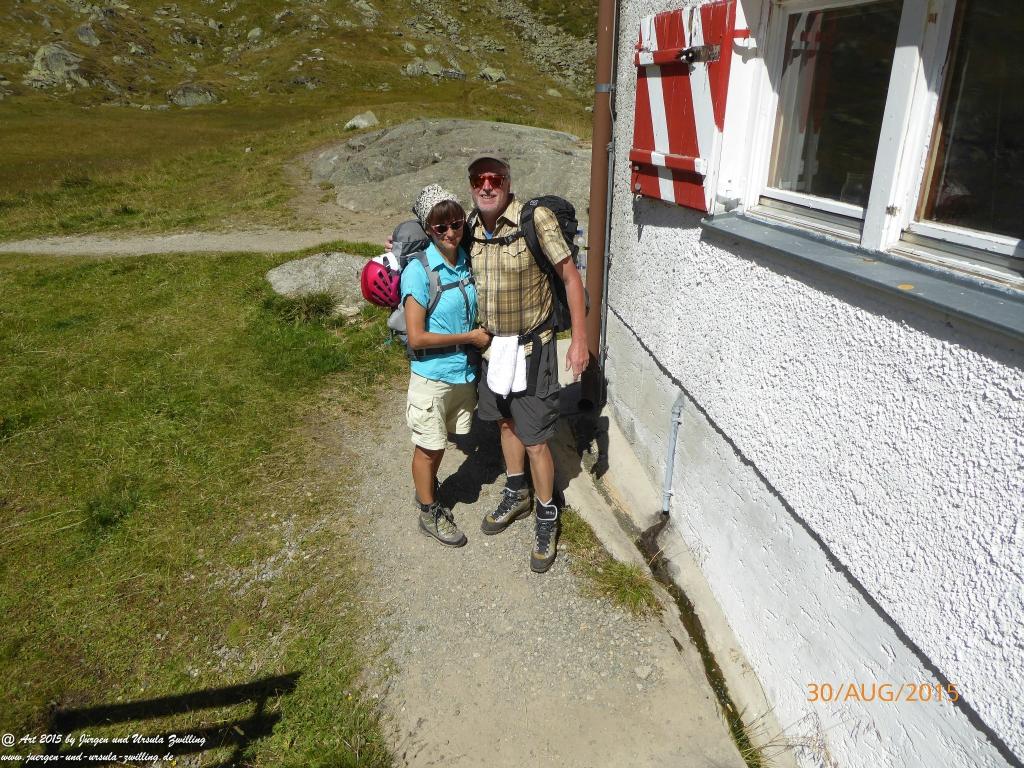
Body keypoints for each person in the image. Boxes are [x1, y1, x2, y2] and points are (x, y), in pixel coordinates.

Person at [466, 152, 588, 573]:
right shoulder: (468, 227)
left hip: (534, 349)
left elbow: (571, 277)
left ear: (507, 182)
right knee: (504, 423)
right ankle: (516, 492)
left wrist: (579, 340)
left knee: (535, 438)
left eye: (494, 179)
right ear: (471, 186)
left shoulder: (534, 220)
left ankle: (546, 513)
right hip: (492, 351)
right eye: (478, 180)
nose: (486, 186)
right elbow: (434, 243)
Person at [402, 184, 491, 547]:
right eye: (441, 228)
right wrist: (470, 338)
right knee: (429, 447)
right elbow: (416, 337)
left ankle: (428, 491)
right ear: (428, 229)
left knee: (439, 443)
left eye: (456, 224)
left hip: (461, 375)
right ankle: (428, 510)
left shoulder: (464, 260)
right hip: (432, 378)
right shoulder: (418, 271)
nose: (451, 233)